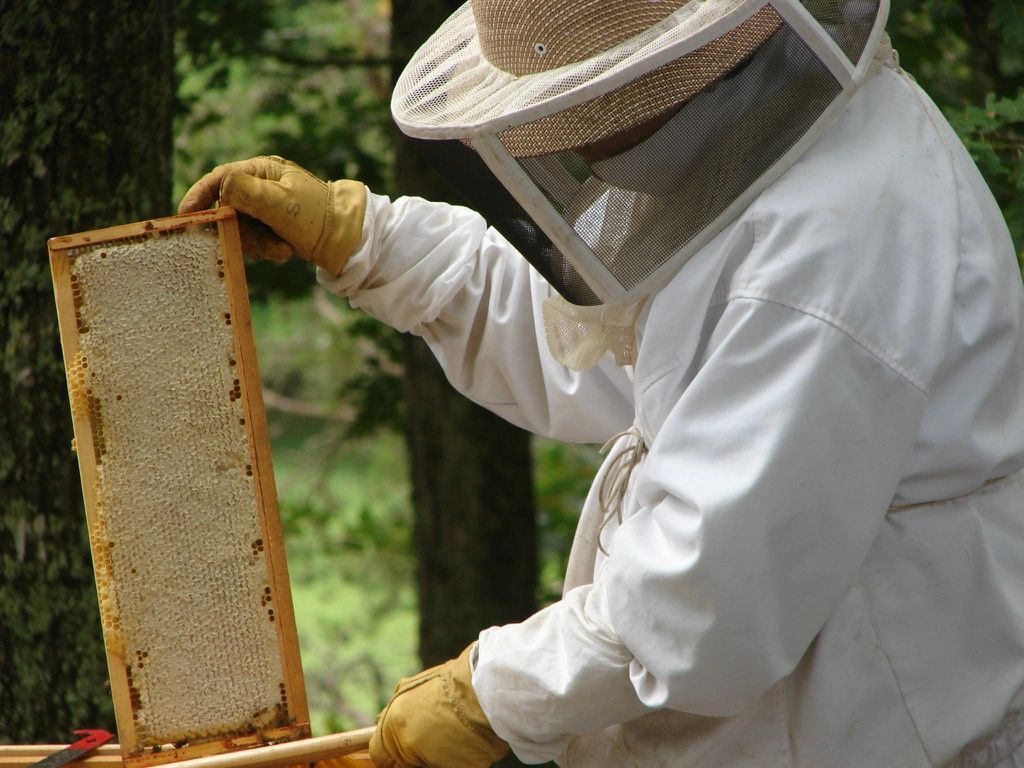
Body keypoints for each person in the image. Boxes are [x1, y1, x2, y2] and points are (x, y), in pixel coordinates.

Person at [179, 1, 1024, 766]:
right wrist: (366, 240)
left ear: (663, 64)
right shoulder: (752, 155)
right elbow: (598, 356)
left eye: (576, 98)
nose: (563, 135)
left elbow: (706, 601)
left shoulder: (823, 250)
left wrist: (493, 694)